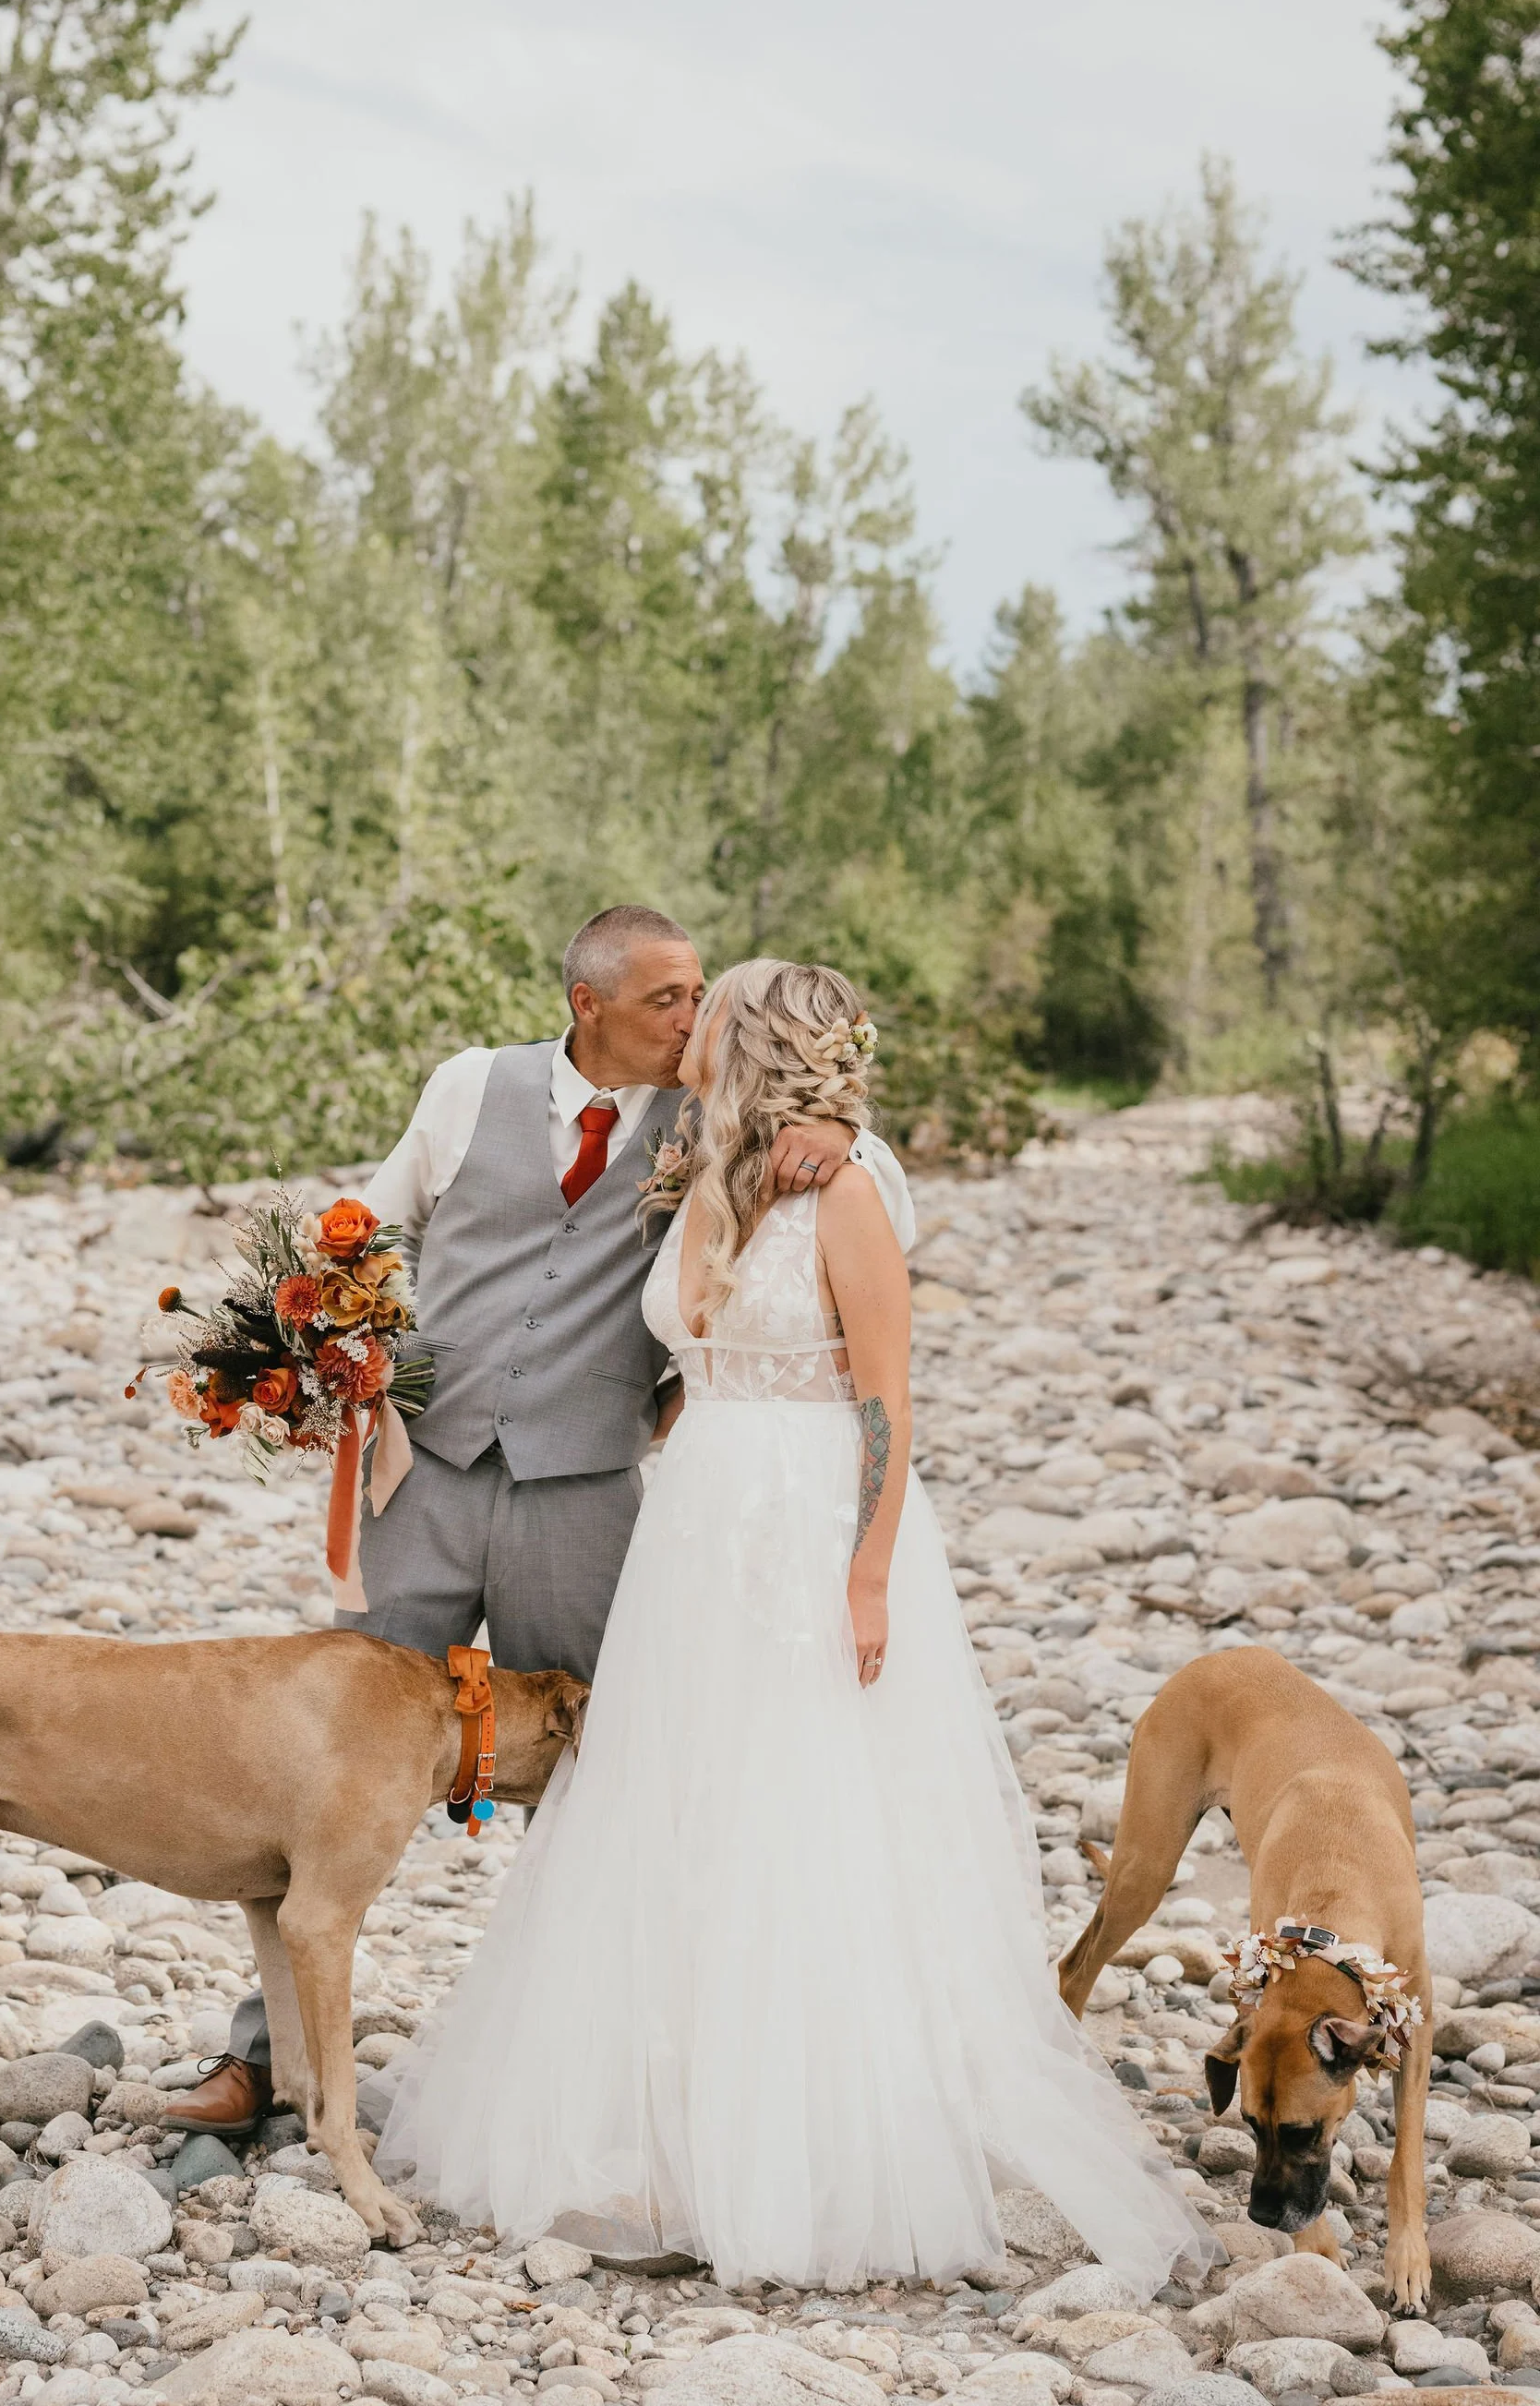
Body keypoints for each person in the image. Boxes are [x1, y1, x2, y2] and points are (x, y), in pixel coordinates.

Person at [373, 957, 1205, 2291]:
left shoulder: (849, 1185)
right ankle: (656, 2116)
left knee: (804, 1807)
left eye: (708, 1012)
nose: (685, 1028)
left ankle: (804, 2147)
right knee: (678, 1802)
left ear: (750, 1043)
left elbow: (889, 1400)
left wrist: (868, 1572)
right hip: (697, 1525)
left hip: (813, 1518)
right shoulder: (704, 1164)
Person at [162, 908, 912, 2137]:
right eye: (670, 999)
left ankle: (611, 2065)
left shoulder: (718, 1115)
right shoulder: (471, 1088)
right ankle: (266, 2060)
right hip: (426, 1481)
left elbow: (848, 1186)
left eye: (702, 1001)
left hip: (591, 1497)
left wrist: (832, 1126)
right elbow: (363, 1223)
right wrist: (318, 1356)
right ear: (589, 1002)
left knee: (610, 1767)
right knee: (331, 1757)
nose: (692, 1020)